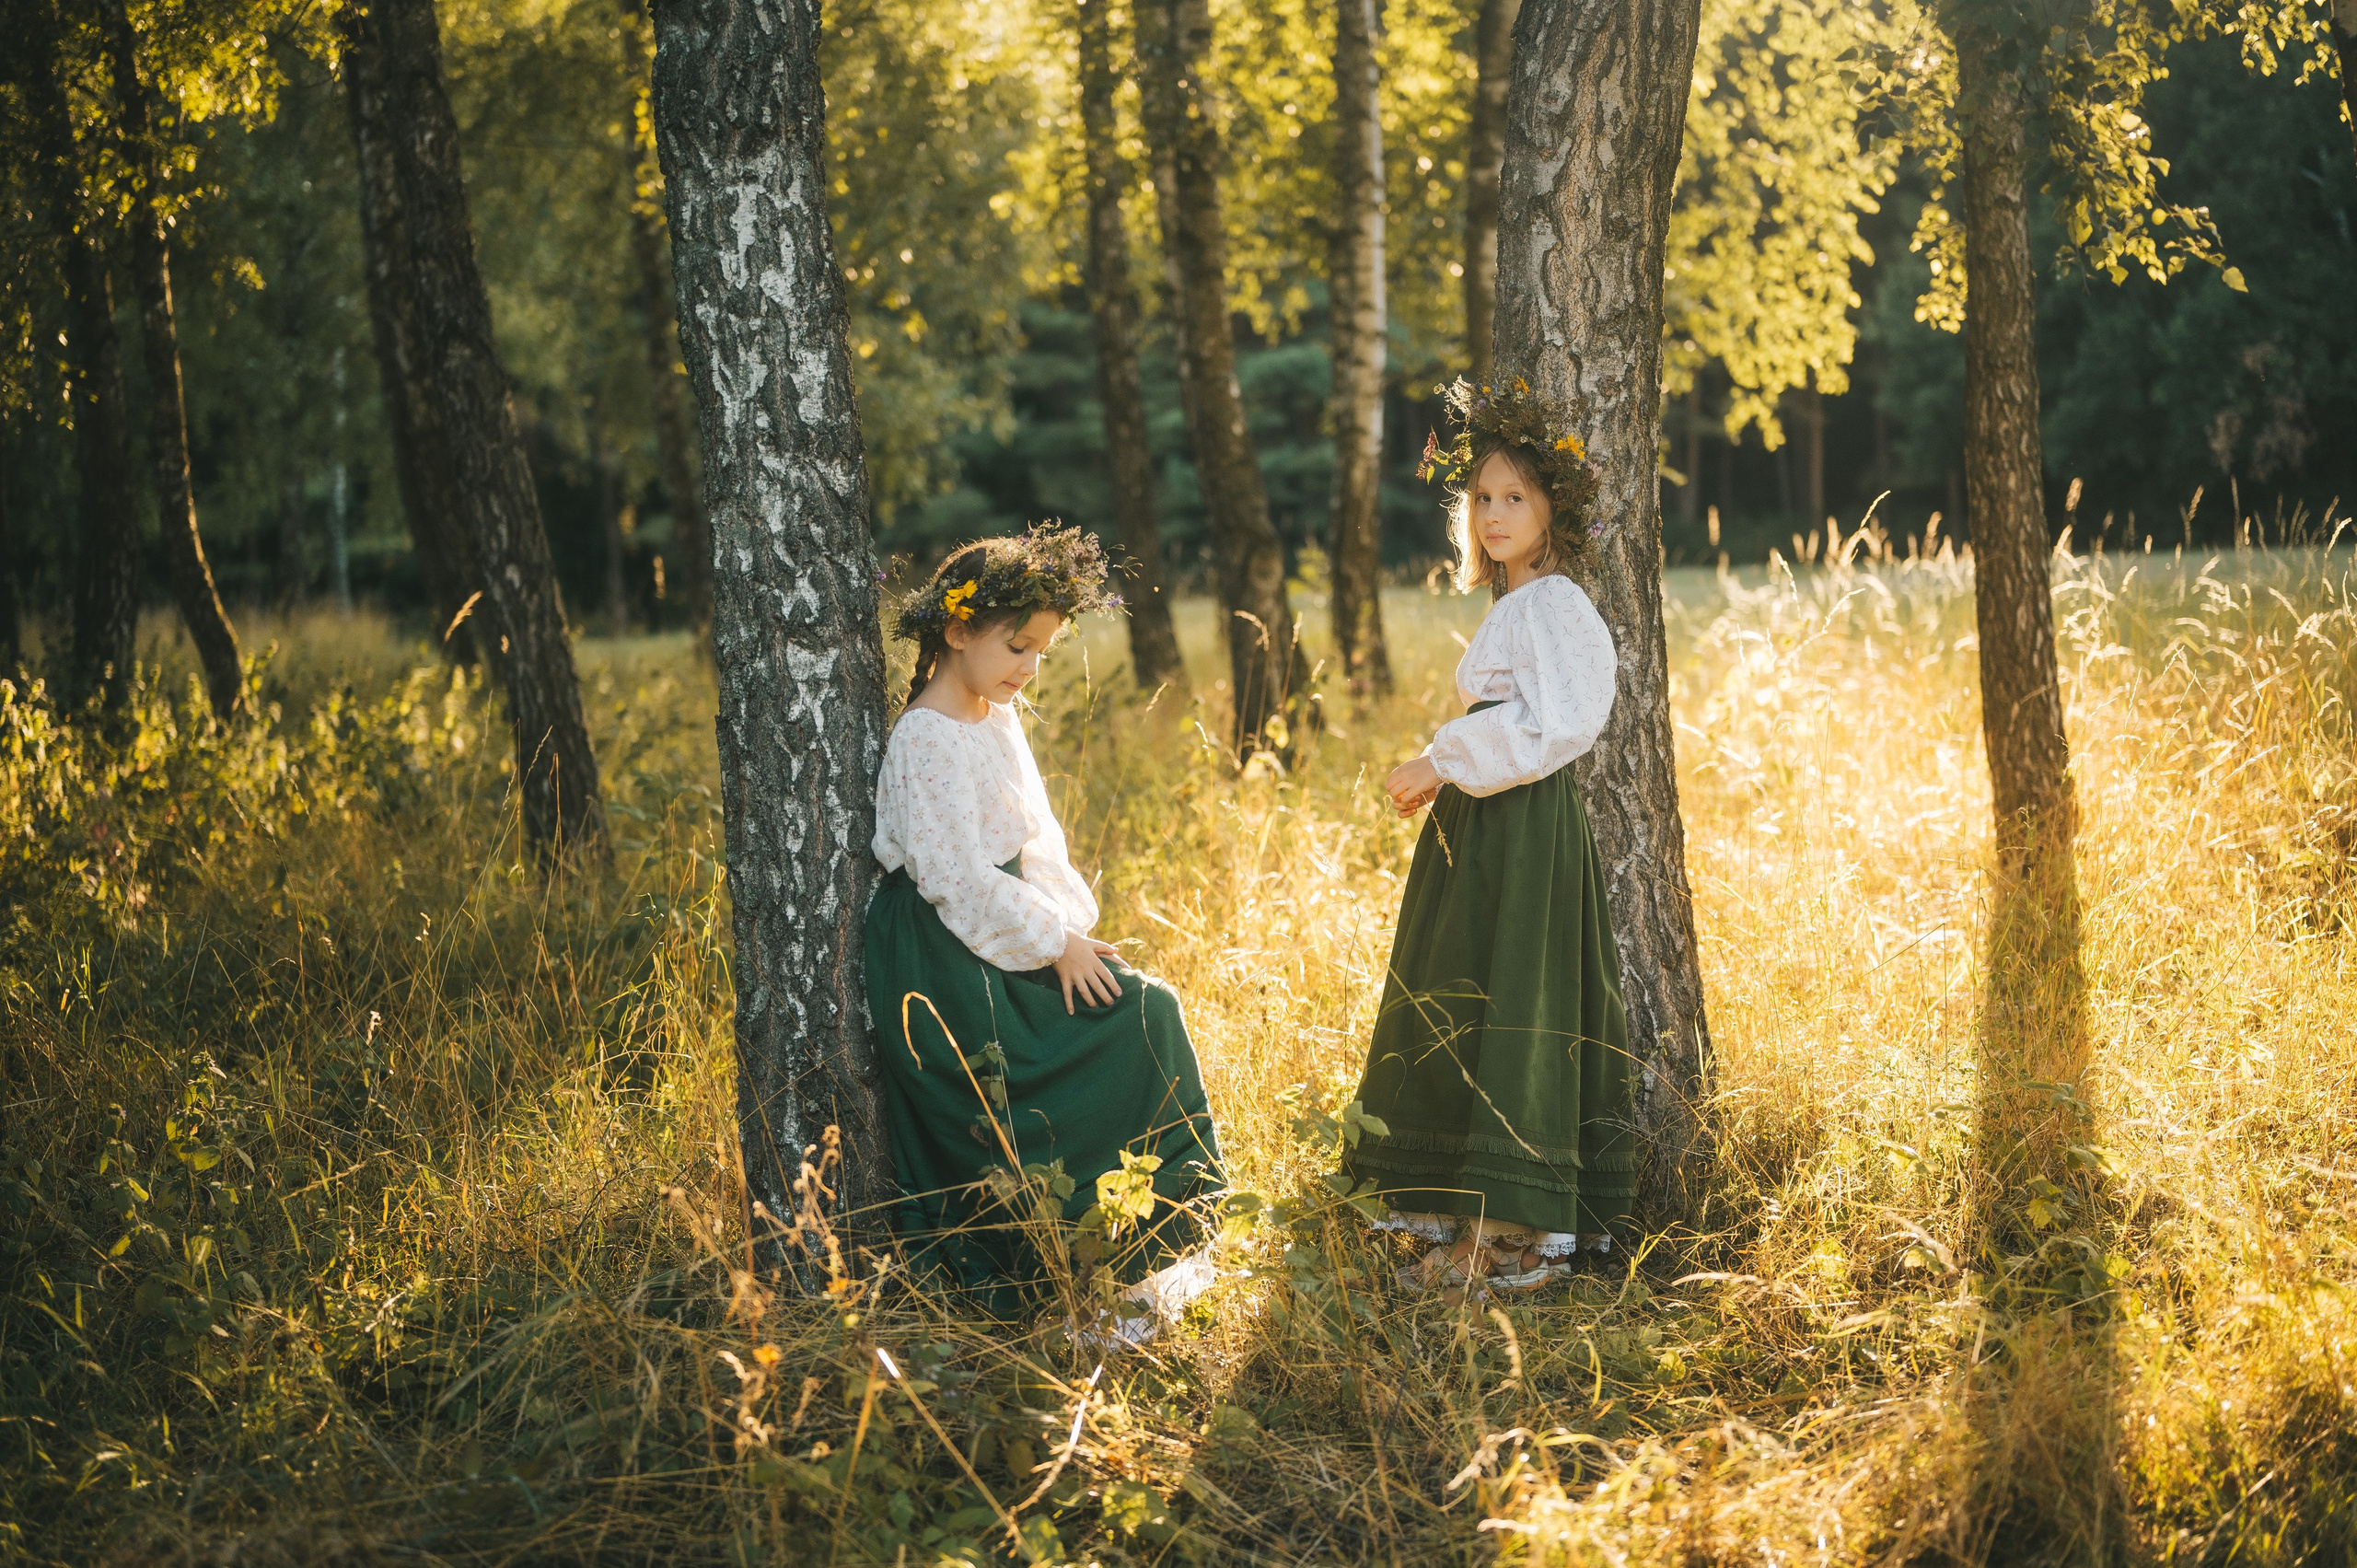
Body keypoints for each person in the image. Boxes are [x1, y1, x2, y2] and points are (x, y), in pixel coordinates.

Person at [865, 526, 1221, 1333]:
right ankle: (1074, 1270)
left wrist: (1064, 925)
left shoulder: (994, 712)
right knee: (1121, 1024)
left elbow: (1033, 837)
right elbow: (953, 875)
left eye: (1042, 654)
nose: (1029, 668)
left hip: (1003, 921)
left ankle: (1149, 1248)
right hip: (943, 951)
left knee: (1147, 1008)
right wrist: (1052, 943)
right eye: (1017, 646)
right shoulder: (925, 735)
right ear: (957, 631)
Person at [1341, 377, 1636, 1300]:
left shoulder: (1552, 603)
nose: (1496, 513)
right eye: (1482, 498)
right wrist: (1447, 771)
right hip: (1489, 816)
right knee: (1463, 993)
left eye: (1516, 496)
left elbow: (1558, 724)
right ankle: (1471, 1219)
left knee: (1513, 995)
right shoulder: (1512, 603)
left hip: (1523, 824)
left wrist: (1440, 757)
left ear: (1554, 508)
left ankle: (1504, 1230)